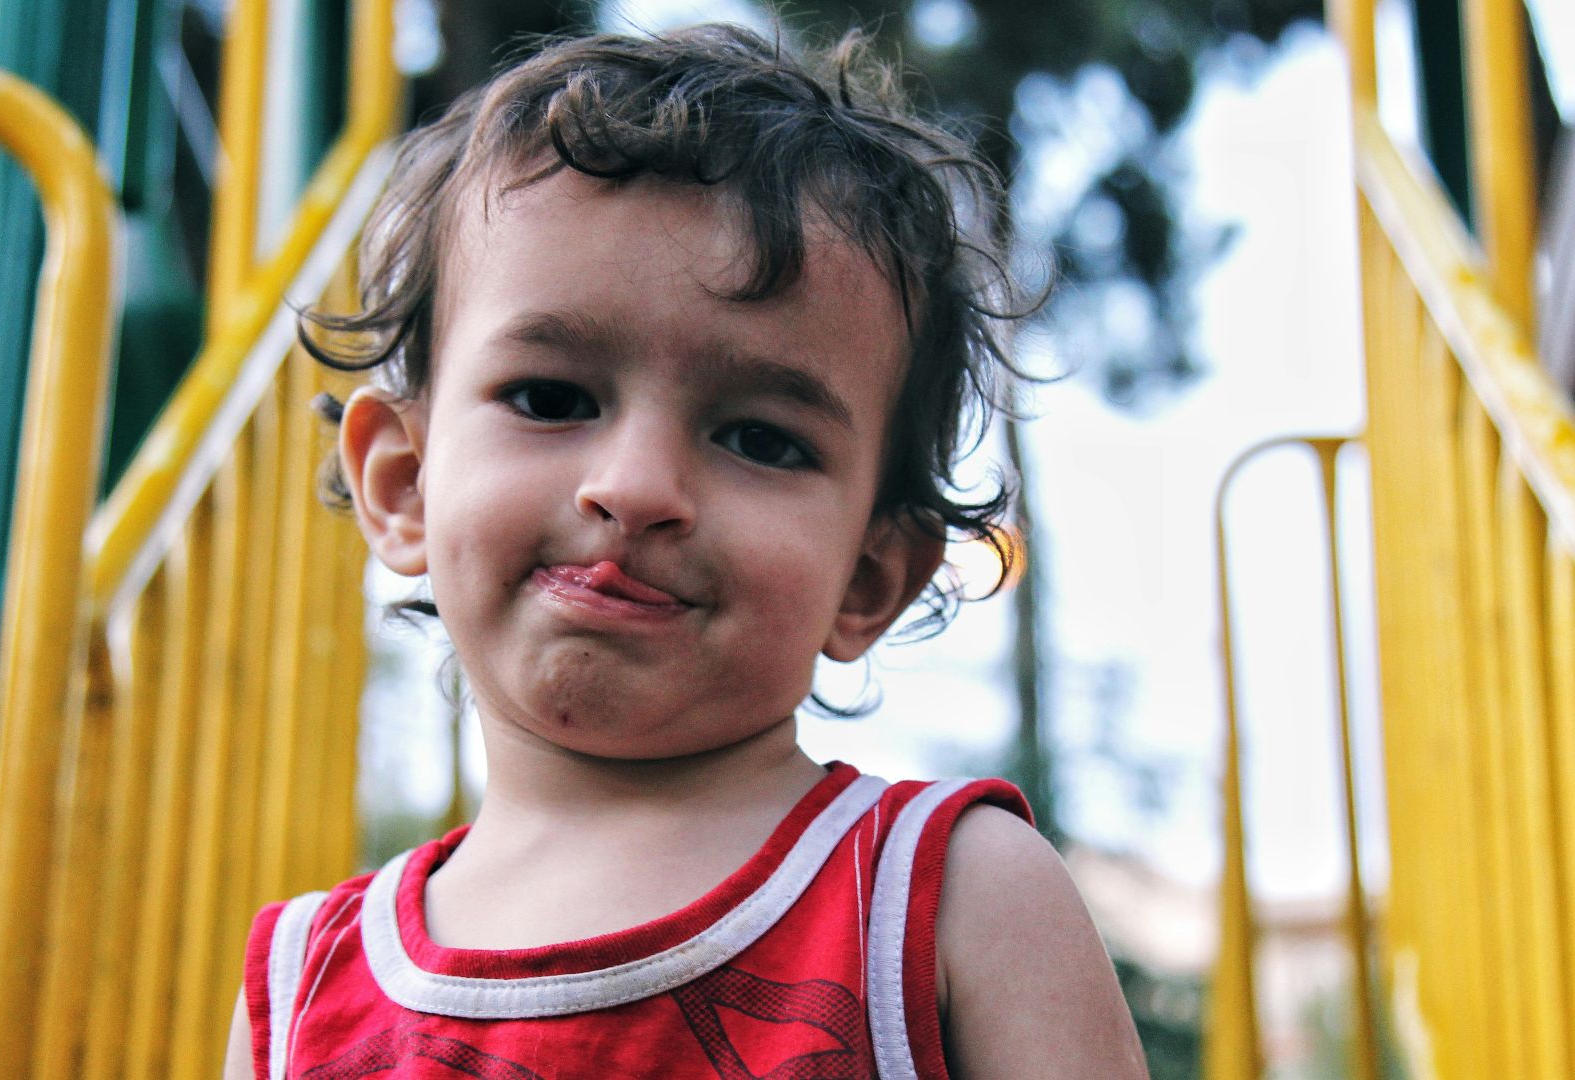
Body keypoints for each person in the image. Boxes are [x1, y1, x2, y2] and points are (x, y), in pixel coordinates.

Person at [225, 24, 1148, 1079]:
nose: (635, 487)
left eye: (760, 439)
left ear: (869, 577)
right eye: (551, 398)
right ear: (403, 485)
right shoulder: (304, 992)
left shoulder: (951, 900)